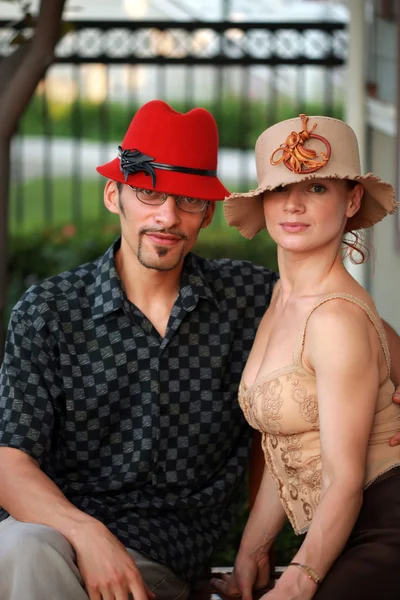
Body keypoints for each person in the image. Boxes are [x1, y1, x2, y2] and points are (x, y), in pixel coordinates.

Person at [0, 103, 398, 600]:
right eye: (149, 193)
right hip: (52, 539)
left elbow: (360, 328)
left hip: (159, 556)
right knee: (20, 546)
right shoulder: (48, 311)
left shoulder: (251, 300)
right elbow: (9, 462)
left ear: (207, 212)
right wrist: (87, 534)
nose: (166, 216)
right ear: (113, 195)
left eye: (187, 200)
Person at [212, 113, 400, 600]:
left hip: (385, 523)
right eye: (279, 189)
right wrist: (251, 556)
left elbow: (343, 479)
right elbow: (287, 442)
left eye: (317, 188)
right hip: (342, 530)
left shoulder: (336, 319)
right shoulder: (280, 299)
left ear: (352, 199)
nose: (293, 204)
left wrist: (297, 581)